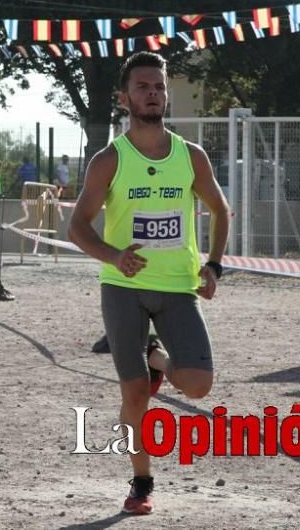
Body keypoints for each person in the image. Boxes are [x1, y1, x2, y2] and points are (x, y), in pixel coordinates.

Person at [68, 52, 230, 516]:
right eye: (142, 87)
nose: (152, 94)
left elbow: (220, 210)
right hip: (122, 289)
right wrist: (114, 256)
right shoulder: (109, 160)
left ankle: (157, 357)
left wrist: (214, 266)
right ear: (124, 98)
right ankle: (141, 482)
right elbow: (77, 226)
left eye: (158, 86)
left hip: (178, 287)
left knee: (198, 386)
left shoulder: (190, 157)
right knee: (135, 395)